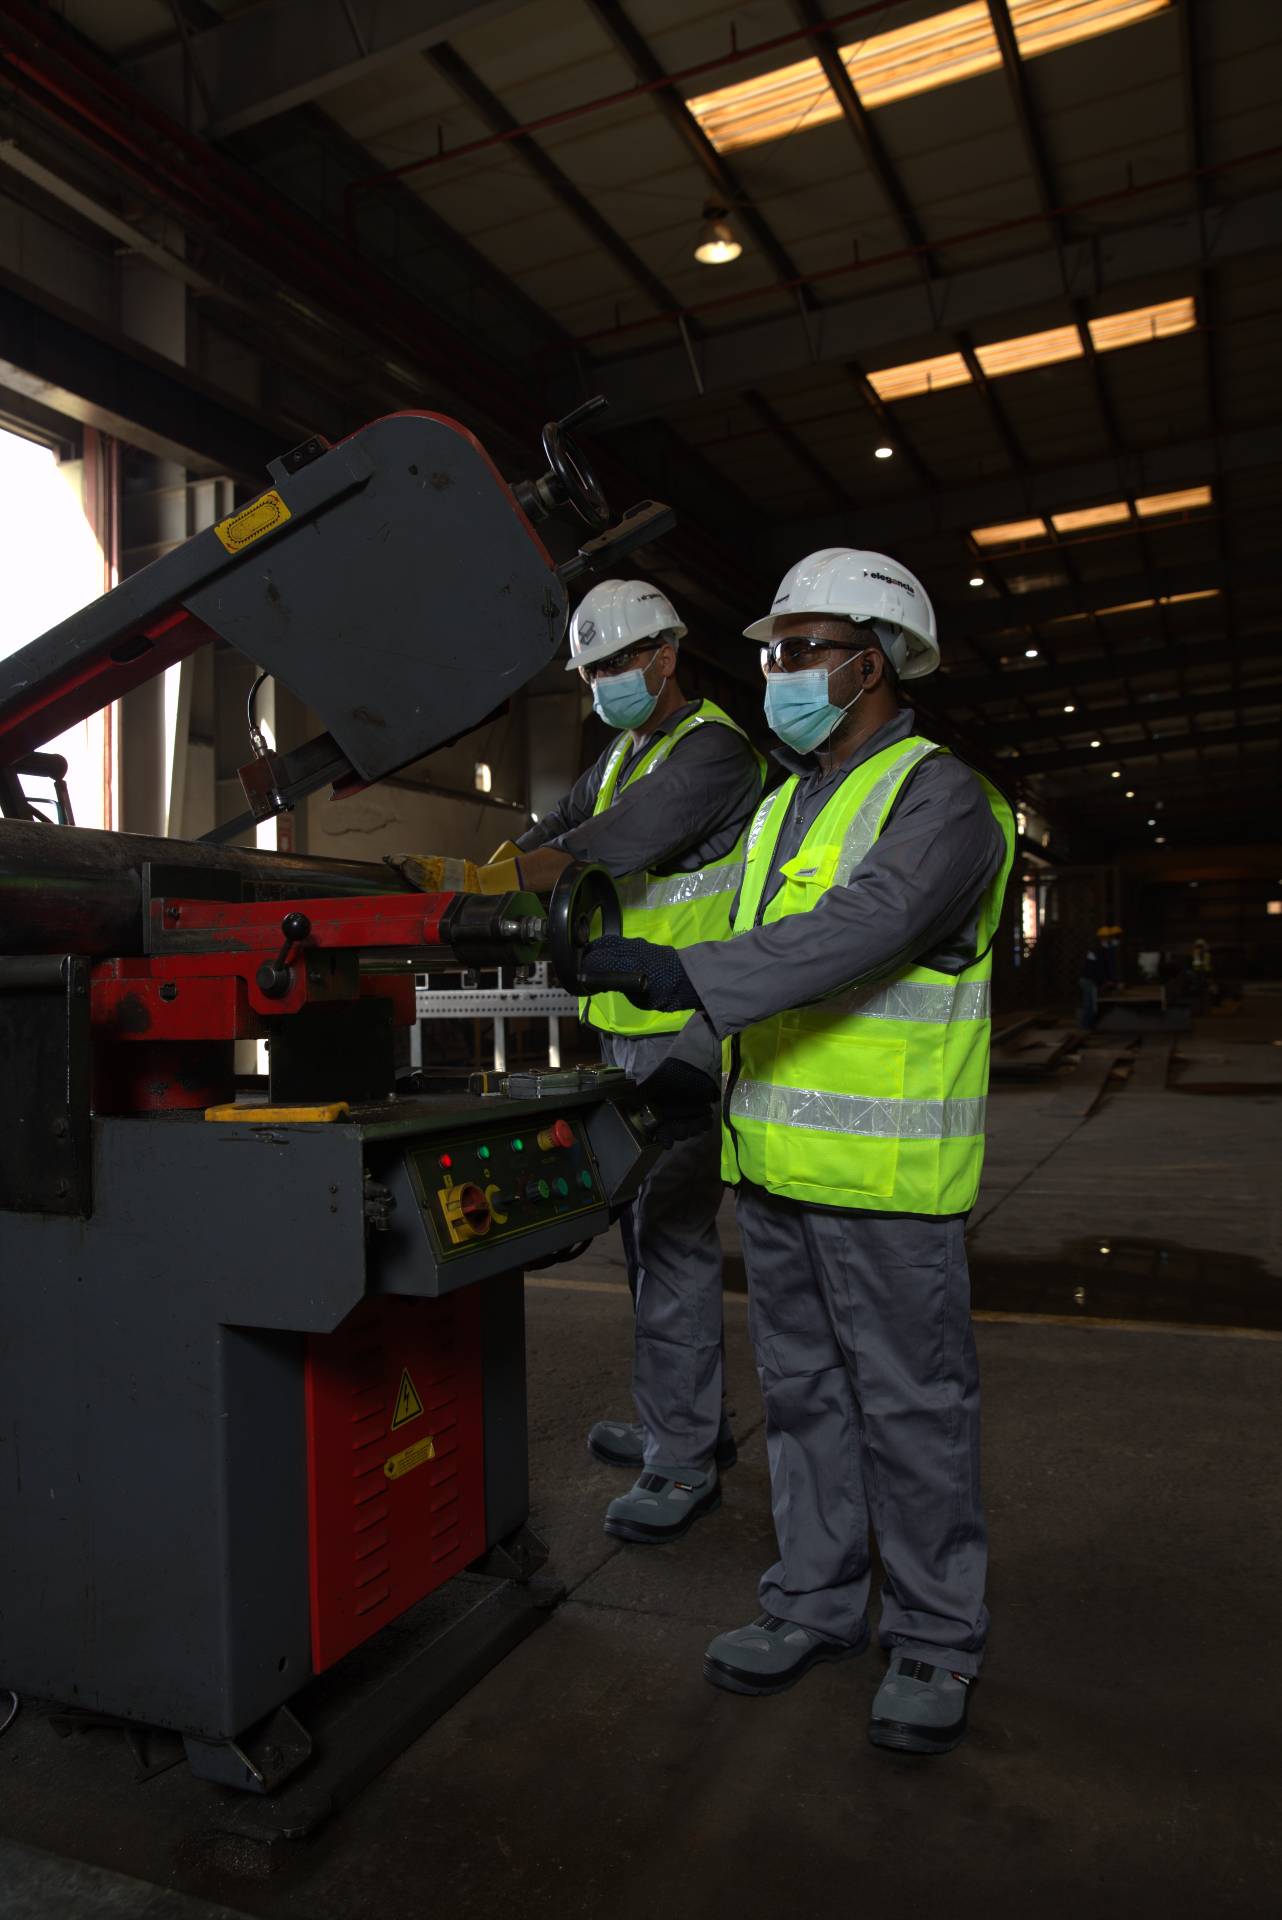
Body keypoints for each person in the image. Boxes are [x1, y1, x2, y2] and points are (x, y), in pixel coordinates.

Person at [580, 547, 1015, 1756]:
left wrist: (686, 975)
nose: (775, 671)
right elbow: (743, 944)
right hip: (771, 1169)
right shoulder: (781, 802)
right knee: (805, 1400)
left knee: (911, 1412)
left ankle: (933, 1636)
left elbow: (863, 928)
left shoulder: (942, 797)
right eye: (773, 650)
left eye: (801, 649)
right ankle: (814, 1602)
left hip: (886, 1183)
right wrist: (675, 1062)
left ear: (871, 665)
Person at [504, 578, 763, 1544]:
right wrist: (496, 863)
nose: (603, 681)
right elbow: (555, 827)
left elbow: (606, 846)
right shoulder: (622, 754)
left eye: (618, 662)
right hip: (627, 1024)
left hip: (690, 1026)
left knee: (674, 1234)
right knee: (647, 1236)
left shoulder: (712, 753)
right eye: (591, 670)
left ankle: (683, 1456)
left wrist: (494, 879)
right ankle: (680, 1419)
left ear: (665, 656)